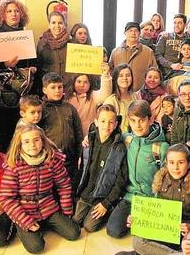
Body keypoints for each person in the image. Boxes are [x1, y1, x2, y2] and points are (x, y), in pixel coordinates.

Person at [0, 125, 80, 253]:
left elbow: (64, 185)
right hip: (25, 211)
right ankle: (21, 227)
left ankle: (45, 224)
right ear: (20, 144)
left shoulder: (52, 160)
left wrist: (66, 211)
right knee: (36, 247)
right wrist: (26, 221)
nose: (32, 145)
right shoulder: (13, 166)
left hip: (48, 207)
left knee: (74, 233)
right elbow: (7, 199)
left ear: (43, 141)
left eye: (36, 140)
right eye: (26, 141)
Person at [132, 143, 190, 254]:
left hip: (189, 234)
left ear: (189, 163)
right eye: (171, 163)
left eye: (181, 162)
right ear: (166, 163)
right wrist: (139, 220)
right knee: (138, 240)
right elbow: (156, 212)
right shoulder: (161, 179)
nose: (175, 167)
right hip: (167, 231)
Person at [106, 100, 169, 239]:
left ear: (151, 119)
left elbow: (166, 181)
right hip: (130, 197)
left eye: (141, 120)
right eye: (133, 121)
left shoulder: (161, 147)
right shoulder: (127, 139)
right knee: (113, 231)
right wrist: (88, 137)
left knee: (145, 236)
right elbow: (106, 135)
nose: (137, 125)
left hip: (151, 200)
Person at [0, 0, 36, 151]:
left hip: (22, 90)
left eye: (17, 11)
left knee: (18, 128)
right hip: (0, 92)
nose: (14, 14)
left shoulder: (25, 34)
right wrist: (4, 64)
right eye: (9, 11)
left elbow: (33, 60)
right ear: (2, 15)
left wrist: (33, 68)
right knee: (1, 130)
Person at [74, 104, 128, 233]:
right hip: (86, 193)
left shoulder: (118, 147)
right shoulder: (89, 140)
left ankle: (109, 210)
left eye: (111, 122)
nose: (106, 125)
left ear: (115, 124)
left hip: (102, 197)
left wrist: (106, 203)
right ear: (96, 122)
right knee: (76, 222)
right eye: (103, 121)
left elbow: (121, 179)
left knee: (89, 226)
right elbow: (82, 168)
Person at [39, 72, 83, 190]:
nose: (57, 90)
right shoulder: (40, 110)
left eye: (60, 87)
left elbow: (79, 134)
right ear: (44, 89)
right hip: (49, 162)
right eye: (53, 87)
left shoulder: (70, 108)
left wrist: (79, 155)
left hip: (70, 161)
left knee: (68, 192)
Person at [66, 63, 112, 137]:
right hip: (71, 138)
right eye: (79, 82)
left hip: (88, 137)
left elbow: (105, 94)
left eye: (85, 82)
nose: (82, 85)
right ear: (73, 82)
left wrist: (106, 75)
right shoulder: (67, 97)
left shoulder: (93, 96)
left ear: (90, 84)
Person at [109, 21, 158, 90]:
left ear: (139, 33)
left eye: (136, 31)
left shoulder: (148, 52)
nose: (133, 33)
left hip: (141, 94)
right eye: (130, 30)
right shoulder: (115, 52)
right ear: (125, 33)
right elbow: (110, 72)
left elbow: (154, 72)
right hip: (119, 92)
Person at [37, 11, 74, 88]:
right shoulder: (42, 43)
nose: (57, 26)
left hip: (69, 86)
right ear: (49, 25)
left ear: (64, 25)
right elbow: (39, 66)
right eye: (53, 23)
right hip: (50, 86)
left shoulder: (73, 42)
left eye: (60, 23)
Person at [104, 64, 138, 133]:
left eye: (128, 75)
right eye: (121, 76)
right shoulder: (111, 101)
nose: (125, 78)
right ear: (116, 78)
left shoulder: (135, 97)